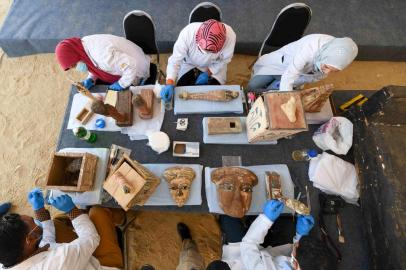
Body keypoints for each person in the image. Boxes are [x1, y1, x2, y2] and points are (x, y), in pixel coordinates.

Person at [0, 188, 125, 269]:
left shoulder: (7, 258)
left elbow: (46, 243)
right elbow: (91, 238)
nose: (36, 220)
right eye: (33, 221)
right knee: (97, 212)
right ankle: (121, 220)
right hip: (99, 264)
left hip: (73, 259)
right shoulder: (58, 263)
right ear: (30, 239)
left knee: (57, 223)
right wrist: (72, 211)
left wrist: (39, 210)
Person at [206, 200, 337, 270]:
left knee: (228, 210)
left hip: (242, 256)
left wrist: (266, 219)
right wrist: (301, 235)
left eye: (296, 248)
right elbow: (305, 255)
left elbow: (249, 243)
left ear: (296, 264)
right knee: (286, 224)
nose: (296, 245)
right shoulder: (309, 267)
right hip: (268, 253)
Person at [160, 19, 236, 102]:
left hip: (214, 64)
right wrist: (170, 82)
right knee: (181, 90)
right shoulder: (187, 33)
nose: (206, 54)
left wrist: (208, 72)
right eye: (202, 50)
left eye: (210, 52)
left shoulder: (230, 36)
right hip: (190, 63)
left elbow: (224, 60)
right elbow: (175, 60)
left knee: (216, 95)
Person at [247, 34, 358, 91]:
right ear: (325, 56)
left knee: (269, 91)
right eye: (327, 67)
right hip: (280, 65)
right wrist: (287, 97)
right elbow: (290, 73)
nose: (327, 72)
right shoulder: (311, 47)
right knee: (253, 85)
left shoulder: (333, 55)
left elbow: (310, 77)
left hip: (298, 76)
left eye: (333, 71)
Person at [55, 34, 151, 91]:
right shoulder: (83, 46)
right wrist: (92, 78)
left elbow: (131, 65)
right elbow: (94, 64)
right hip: (123, 62)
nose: (77, 68)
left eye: (75, 64)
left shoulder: (103, 56)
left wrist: (121, 84)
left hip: (139, 70)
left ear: (76, 54)